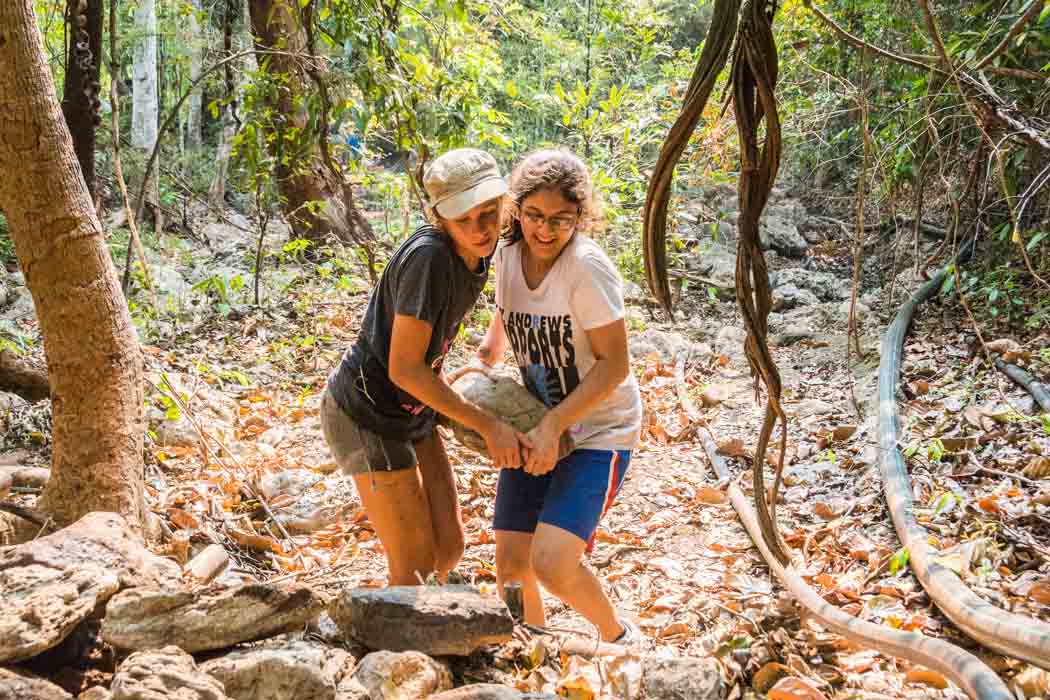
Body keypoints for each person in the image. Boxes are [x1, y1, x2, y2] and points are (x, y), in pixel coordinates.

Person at [321, 148, 531, 585]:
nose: (480, 230)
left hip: (412, 410)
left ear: (502, 205)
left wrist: (489, 350)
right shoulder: (429, 259)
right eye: (463, 220)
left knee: (448, 547)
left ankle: (417, 624)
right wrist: (487, 425)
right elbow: (404, 370)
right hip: (367, 411)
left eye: (489, 214)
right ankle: (394, 648)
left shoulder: (490, 241)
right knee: (415, 564)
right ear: (438, 217)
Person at [469, 149, 644, 644]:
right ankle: (532, 647)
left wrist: (553, 425)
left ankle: (617, 636)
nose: (545, 231)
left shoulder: (586, 268)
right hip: (538, 418)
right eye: (535, 217)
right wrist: (483, 365)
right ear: (517, 210)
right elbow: (505, 318)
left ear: (580, 218)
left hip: (598, 429)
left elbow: (615, 364)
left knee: (551, 562)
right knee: (509, 563)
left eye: (561, 221)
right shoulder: (504, 254)